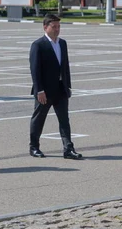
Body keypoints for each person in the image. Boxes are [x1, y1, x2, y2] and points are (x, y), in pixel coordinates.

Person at [29, 14, 82, 160]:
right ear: (45, 27)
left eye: (58, 26)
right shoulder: (38, 45)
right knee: (39, 119)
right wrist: (39, 90)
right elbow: (35, 70)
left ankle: (68, 149)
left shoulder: (62, 43)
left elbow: (65, 67)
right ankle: (34, 147)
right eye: (54, 26)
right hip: (45, 91)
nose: (57, 29)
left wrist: (68, 86)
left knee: (64, 120)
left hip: (61, 89)